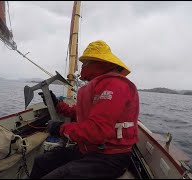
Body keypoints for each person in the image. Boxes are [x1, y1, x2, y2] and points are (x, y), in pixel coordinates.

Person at [29, 40, 139, 179]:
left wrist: (61, 128)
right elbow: (77, 112)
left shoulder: (115, 85)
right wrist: (57, 104)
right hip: (87, 149)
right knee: (41, 162)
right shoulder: (97, 87)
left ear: (98, 63)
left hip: (110, 157)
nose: (83, 68)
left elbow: (98, 131)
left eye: (85, 64)